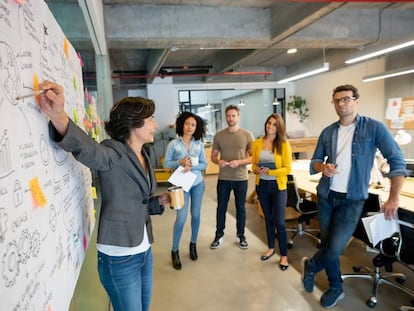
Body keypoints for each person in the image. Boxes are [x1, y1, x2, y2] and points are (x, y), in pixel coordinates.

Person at [37, 80, 170, 311]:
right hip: (120, 258)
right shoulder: (112, 153)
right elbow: (87, 149)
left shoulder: (144, 155)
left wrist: (159, 201)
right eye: (150, 119)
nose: (155, 125)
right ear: (133, 123)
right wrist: (59, 116)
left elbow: (137, 202)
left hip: (143, 249)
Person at [301, 84, 408, 308]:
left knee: (334, 247)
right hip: (327, 195)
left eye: (346, 99)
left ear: (356, 101)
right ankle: (335, 287)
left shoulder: (373, 128)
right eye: (337, 101)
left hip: (352, 200)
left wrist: (394, 196)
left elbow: (397, 160)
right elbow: (313, 163)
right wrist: (322, 167)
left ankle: (311, 266)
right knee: (327, 243)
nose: (341, 104)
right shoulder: (328, 131)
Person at [163, 111, 207, 270]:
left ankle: (193, 244)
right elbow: (166, 164)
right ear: (182, 124)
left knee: (196, 215)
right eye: (187, 123)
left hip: (197, 184)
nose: (190, 127)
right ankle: (174, 250)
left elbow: (204, 165)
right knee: (181, 219)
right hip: (181, 186)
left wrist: (193, 166)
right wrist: (179, 162)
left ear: (197, 128)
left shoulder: (199, 144)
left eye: (193, 125)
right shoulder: (173, 144)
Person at [209, 105, 254, 250]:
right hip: (224, 178)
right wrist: (218, 162)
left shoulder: (247, 135)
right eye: (228, 116)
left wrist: (239, 162)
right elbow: (213, 157)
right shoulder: (219, 136)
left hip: (241, 178)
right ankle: (218, 235)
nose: (230, 118)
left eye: (233, 116)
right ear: (225, 117)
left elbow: (253, 157)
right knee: (221, 207)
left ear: (238, 117)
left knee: (241, 208)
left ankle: (241, 236)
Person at [251, 113, 292, 270]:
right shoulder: (257, 143)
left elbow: (288, 169)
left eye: (274, 124)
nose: (270, 126)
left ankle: (284, 256)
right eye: (269, 123)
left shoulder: (283, 145)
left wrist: (270, 172)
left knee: (280, 222)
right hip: (262, 186)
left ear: (279, 127)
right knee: (267, 218)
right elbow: (254, 164)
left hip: (278, 187)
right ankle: (270, 247)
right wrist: (257, 170)